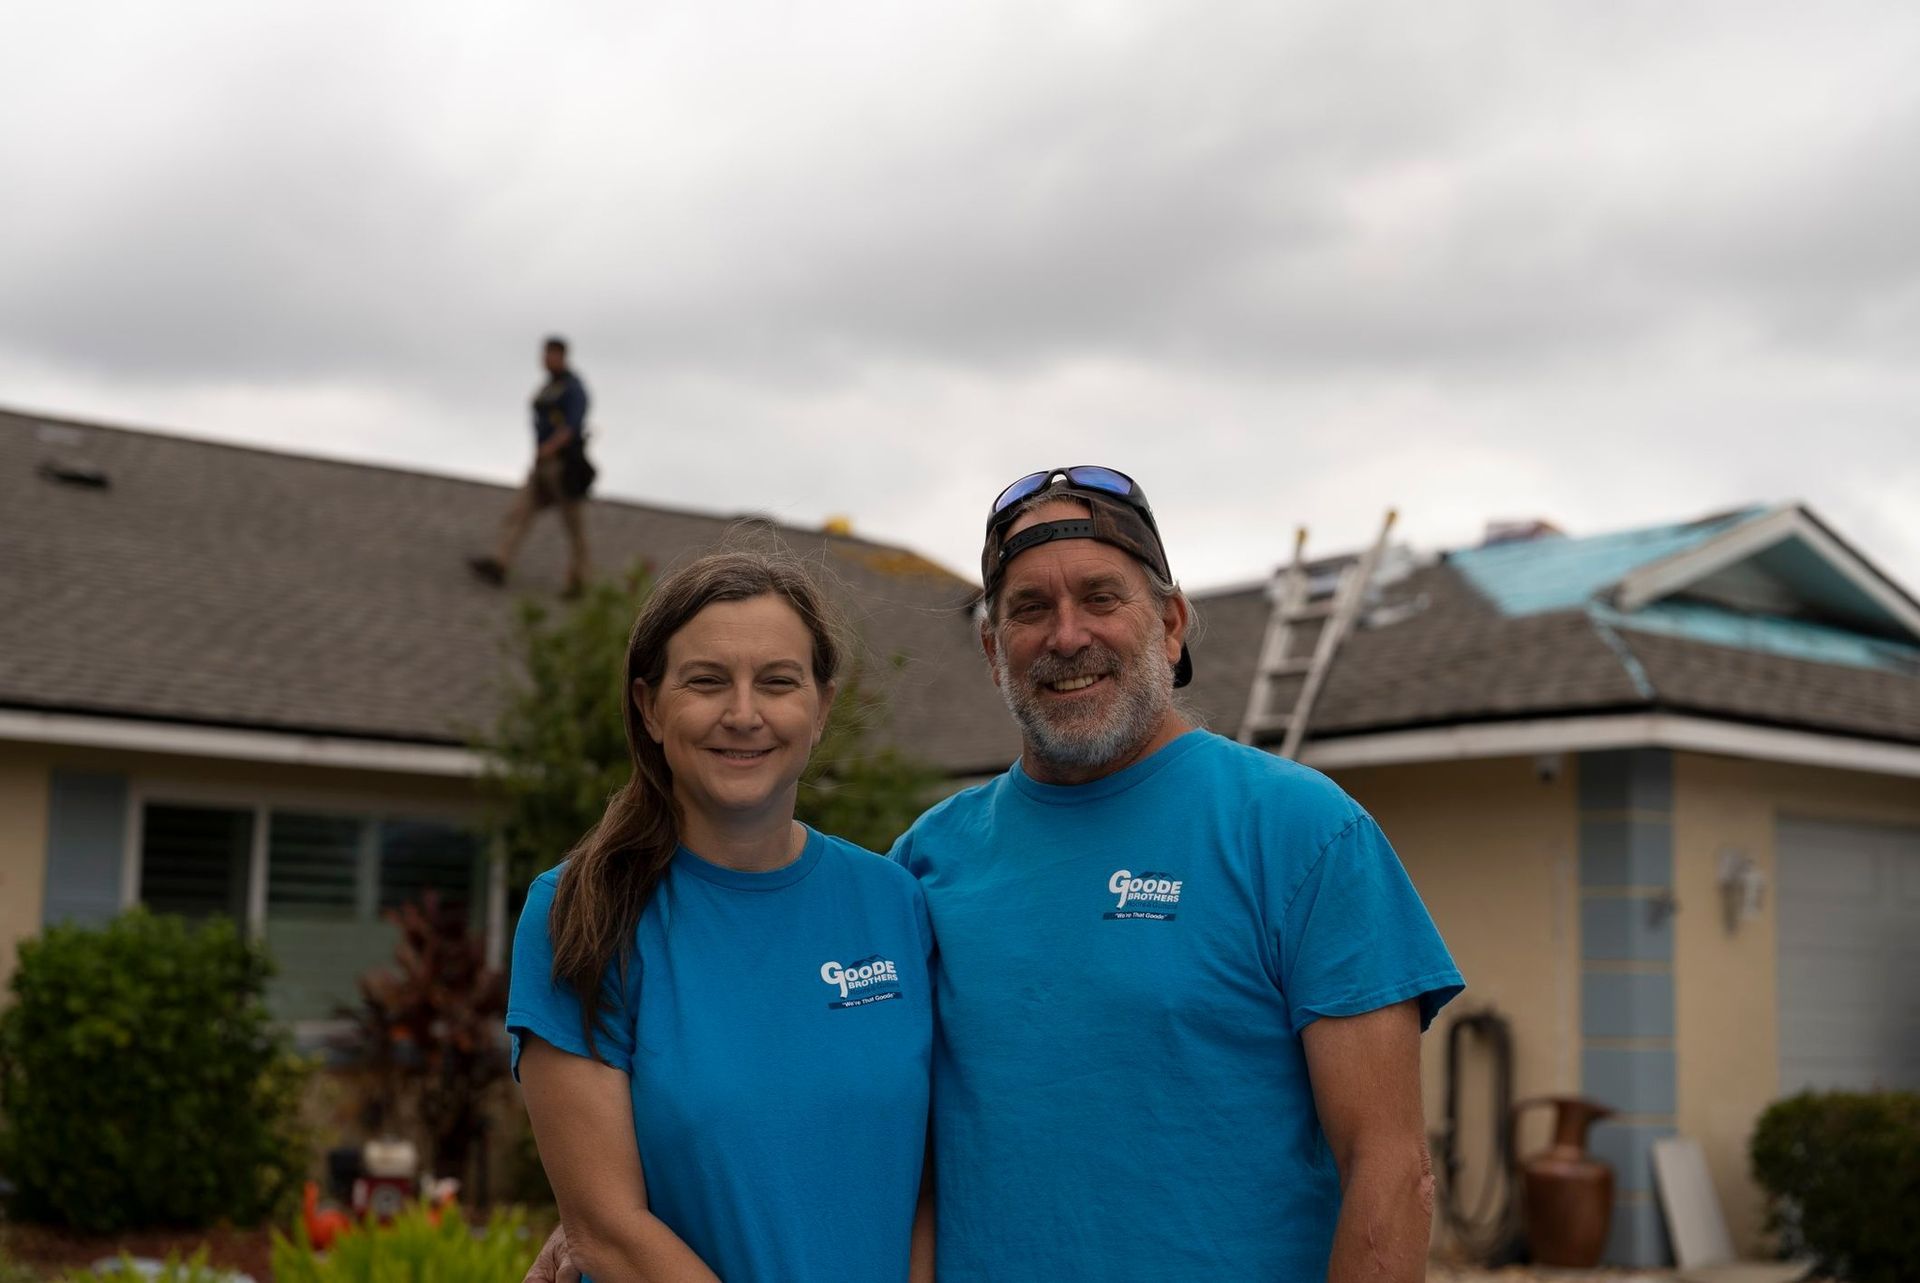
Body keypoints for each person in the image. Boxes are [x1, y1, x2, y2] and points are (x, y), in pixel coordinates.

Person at [527, 467, 1461, 1283]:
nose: (1066, 635)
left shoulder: (1302, 832)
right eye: (1027, 608)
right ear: (989, 648)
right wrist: (600, 1219)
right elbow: (824, 1086)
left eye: (1102, 597)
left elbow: (1390, 1166)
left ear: (1171, 625)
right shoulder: (926, 866)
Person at [507, 548, 933, 1283]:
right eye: (707, 681)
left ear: (822, 705)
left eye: (777, 682)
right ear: (649, 705)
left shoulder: (895, 901)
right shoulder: (580, 909)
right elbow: (606, 1229)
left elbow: (932, 1180)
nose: (743, 714)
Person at [470, 336, 596, 595]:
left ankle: (580, 581)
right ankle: (500, 563)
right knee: (519, 512)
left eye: (550, 355)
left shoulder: (573, 388)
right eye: (544, 354)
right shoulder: (548, 388)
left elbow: (571, 426)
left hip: (563, 466)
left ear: (561, 356)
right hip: (542, 467)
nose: (545, 360)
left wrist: (550, 447)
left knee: (573, 525)